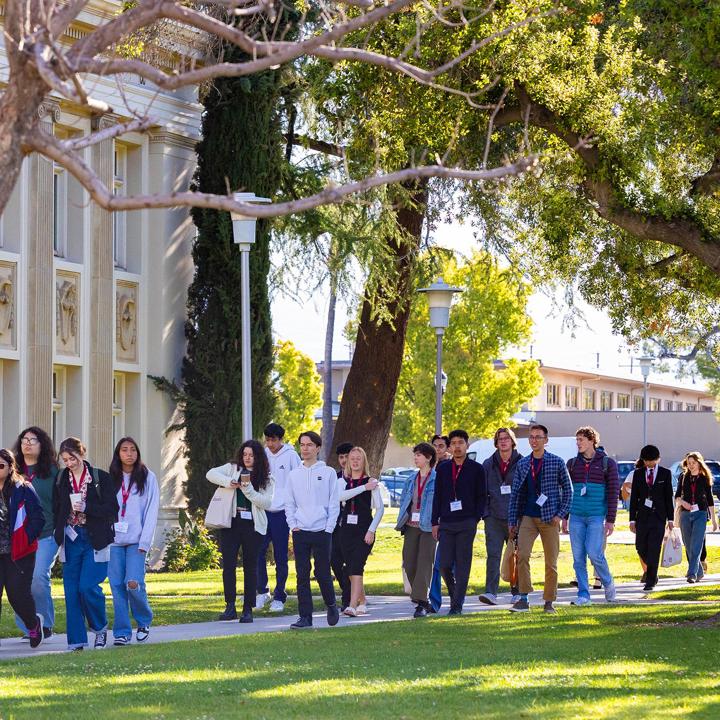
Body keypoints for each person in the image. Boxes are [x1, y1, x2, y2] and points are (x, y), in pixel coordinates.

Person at [53, 437, 119, 650]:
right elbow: (56, 507)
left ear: (81, 454)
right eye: (65, 460)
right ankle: (77, 641)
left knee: (88, 587)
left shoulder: (101, 478)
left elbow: (112, 509)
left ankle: (99, 629)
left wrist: (87, 507)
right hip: (70, 539)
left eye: (72, 458)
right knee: (71, 592)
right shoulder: (62, 478)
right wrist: (58, 530)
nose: (69, 463)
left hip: (95, 538)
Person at [207, 440, 275, 623]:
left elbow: (266, 503)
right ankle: (230, 607)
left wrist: (248, 489)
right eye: (245, 454)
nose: (247, 458)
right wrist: (229, 482)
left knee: (250, 567)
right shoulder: (232, 468)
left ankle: (248, 609)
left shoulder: (266, 477)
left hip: (253, 526)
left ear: (258, 457)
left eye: (251, 455)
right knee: (228, 565)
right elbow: (210, 474)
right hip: (231, 523)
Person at [508, 424, 572, 614]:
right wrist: (512, 521)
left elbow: (569, 491)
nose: (534, 440)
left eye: (538, 437)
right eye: (532, 437)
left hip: (549, 517)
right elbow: (515, 495)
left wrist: (560, 515)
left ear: (546, 440)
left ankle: (549, 601)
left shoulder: (556, 462)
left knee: (551, 562)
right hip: (528, 516)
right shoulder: (523, 463)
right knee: (522, 555)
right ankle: (524, 598)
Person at [285, 431, 340, 629]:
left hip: (322, 531)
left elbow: (334, 503)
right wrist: (294, 525)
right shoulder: (294, 475)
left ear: (317, 448)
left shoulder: (328, 473)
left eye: (309, 445)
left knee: (322, 572)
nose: (305, 448)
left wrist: (328, 528)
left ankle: (331, 604)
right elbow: (289, 503)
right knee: (301, 574)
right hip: (301, 531)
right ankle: (305, 617)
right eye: (302, 445)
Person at [108, 437, 160, 645]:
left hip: (136, 540)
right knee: (117, 586)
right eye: (124, 450)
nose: (129, 454)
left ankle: (143, 619)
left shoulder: (148, 478)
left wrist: (144, 542)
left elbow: (152, 510)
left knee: (132, 583)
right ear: (118, 454)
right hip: (113, 541)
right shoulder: (109, 478)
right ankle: (121, 631)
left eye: (132, 450)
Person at [431, 429, 486, 615]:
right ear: (450, 447)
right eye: (453, 443)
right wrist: (434, 522)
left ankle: (457, 605)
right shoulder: (444, 468)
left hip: (467, 522)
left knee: (462, 564)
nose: (457, 446)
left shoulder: (477, 469)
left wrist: (476, 517)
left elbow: (482, 496)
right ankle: (456, 596)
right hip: (446, 522)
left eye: (460, 443)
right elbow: (437, 496)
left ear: (467, 445)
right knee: (444, 564)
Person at [12, 426, 59, 640]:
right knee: (19, 582)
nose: (27, 443)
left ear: (42, 445)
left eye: (33, 440)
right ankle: (30, 627)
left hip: (46, 534)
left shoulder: (52, 473)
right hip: (18, 539)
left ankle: (45, 623)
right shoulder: (11, 472)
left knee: (38, 577)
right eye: (24, 439)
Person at [564, 427, 619, 606]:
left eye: (581, 439)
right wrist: (564, 516)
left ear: (592, 440)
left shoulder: (607, 463)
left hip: (596, 516)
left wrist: (610, 520)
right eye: (577, 440)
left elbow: (613, 492)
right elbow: (565, 491)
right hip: (576, 516)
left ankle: (608, 582)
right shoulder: (571, 464)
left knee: (594, 553)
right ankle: (583, 595)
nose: (578, 443)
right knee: (578, 558)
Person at [0, 448, 45, 649]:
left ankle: (33, 623)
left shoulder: (23, 488)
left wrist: (26, 539)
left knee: (17, 595)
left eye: (1, 465)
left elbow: (38, 518)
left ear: (10, 467)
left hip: (18, 552)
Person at [256, 423, 301, 613]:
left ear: (280, 439)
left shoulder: (291, 456)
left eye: (273, 440)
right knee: (259, 553)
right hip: (263, 510)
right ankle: (261, 592)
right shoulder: (263, 455)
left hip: (282, 513)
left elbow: (297, 482)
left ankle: (279, 596)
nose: (270, 444)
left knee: (281, 556)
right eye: (267, 440)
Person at [338, 447, 384, 616]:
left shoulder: (372, 482)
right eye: (352, 458)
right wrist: (364, 488)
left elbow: (380, 510)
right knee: (351, 568)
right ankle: (362, 601)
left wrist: (371, 530)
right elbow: (340, 497)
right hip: (346, 531)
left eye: (359, 458)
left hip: (364, 530)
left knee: (357, 566)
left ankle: (351, 605)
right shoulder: (343, 482)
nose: (355, 461)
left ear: (364, 461)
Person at [479, 428, 522, 605]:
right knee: (493, 555)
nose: (503, 442)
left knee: (517, 555)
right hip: (494, 517)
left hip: (516, 517)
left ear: (512, 441)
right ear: (496, 443)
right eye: (499, 439)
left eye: (506, 438)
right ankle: (491, 592)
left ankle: (518, 591)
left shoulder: (522, 462)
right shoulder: (488, 464)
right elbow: (481, 492)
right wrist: (486, 513)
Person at [396, 442, 437, 617]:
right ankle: (422, 599)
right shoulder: (411, 479)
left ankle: (420, 603)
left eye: (419, 455)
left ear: (428, 457)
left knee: (425, 563)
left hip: (428, 527)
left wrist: (438, 523)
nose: (415, 458)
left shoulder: (437, 478)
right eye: (415, 455)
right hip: (411, 526)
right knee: (409, 562)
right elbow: (405, 501)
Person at [628, 445, 674, 592]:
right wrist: (632, 519)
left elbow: (668, 497)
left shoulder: (665, 473)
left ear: (658, 459)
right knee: (640, 546)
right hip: (642, 517)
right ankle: (652, 569)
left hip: (659, 517)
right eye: (646, 461)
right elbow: (634, 497)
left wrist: (671, 518)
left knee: (654, 548)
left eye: (651, 461)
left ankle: (651, 579)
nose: (649, 464)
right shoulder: (638, 474)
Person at [675, 451, 718, 583]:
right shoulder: (683, 477)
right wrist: (684, 503)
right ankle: (699, 572)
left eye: (693, 463)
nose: (691, 465)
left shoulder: (704, 478)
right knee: (688, 545)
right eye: (689, 463)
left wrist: (714, 520)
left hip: (700, 514)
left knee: (697, 545)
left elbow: (710, 500)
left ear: (699, 463)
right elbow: (677, 496)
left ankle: (691, 574)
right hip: (685, 514)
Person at [428, 434, 451, 612]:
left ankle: (456, 597)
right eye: (435, 445)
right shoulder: (427, 469)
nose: (438, 449)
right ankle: (434, 602)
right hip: (430, 521)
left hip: (449, 522)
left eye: (441, 446)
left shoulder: (449, 467)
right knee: (434, 566)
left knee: (446, 565)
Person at [332, 442, 354, 610]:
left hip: (355, 527)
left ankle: (349, 597)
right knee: (335, 561)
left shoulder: (361, 477)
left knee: (352, 563)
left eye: (347, 456)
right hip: (337, 526)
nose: (345, 460)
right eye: (341, 457)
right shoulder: (335, 478)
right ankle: (347, 589)